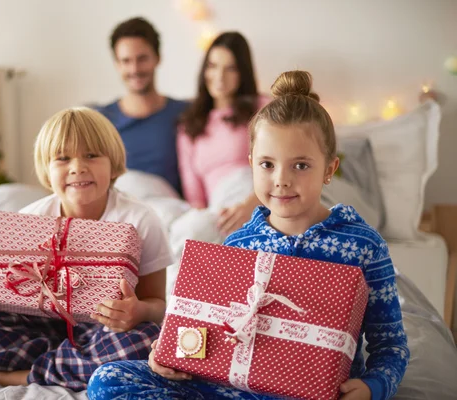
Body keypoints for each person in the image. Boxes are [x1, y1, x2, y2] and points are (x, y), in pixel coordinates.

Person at [87, 71, 410, 400]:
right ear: (251, 164)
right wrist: (168, 355)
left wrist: (373, 387)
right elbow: (211, 336)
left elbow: (391, 345)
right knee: (108, 378)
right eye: (267, 164)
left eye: (300, 166)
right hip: (229, 387)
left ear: (329, 169)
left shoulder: (361, 245)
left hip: (305, 392)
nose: (281, 180)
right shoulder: (240, 243)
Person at [0, 107, 173, 391]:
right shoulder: (31, 217)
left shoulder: (140, 220)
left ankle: (17, 376)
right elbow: (7, 288)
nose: (77, 167)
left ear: (113, 165)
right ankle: (68, 363)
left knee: (146, 340)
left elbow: (157, 306)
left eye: (91, 155)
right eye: (63, 158)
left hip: (103, 330)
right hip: (40, 325)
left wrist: (137, 311)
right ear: (47, 171)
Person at [177, 31, 268, 236]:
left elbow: (280, 165)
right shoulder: (189, 125)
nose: (219, 77)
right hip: (219, 212)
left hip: (257, 198)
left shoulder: (262, 109)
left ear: (242, 73)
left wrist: (249, 206)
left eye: (231, 68)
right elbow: (195, 199)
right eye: (212, 66)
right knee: (190, 230)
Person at [97, 17, 188, 194]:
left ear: (158, 58)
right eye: (126, 61)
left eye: (142, 58)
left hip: (170, 211)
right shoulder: (101, 121)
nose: (135, 69)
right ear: (117, 65)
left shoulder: (185, 113)